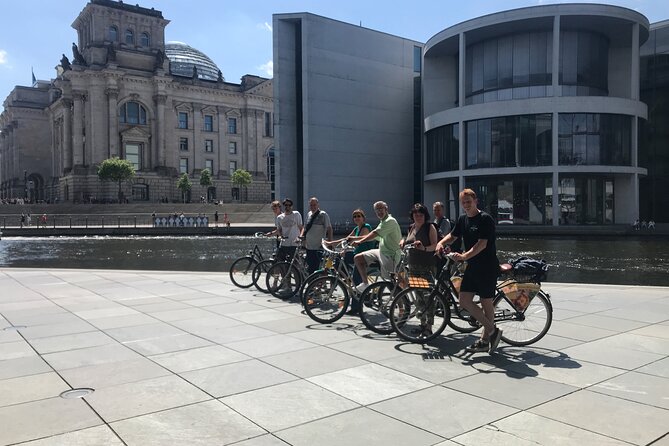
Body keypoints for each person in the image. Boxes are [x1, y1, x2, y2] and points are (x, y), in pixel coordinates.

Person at [436, 188, 503, 354]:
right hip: (472, 266)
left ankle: (484, 339)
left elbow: (482, 244)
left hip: (487, 266)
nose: (466, 205)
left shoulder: (485, 219)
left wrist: (464, 256)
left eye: (468, 202)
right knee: (464, 300)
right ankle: (492, 331)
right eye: (463, 202)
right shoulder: (463, 219)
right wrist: (440, 243)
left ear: (475, 201)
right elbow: (453, 235)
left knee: (486, 302)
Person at [326, 209, 375, 314]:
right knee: (338, 258)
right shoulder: (357, 228)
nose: (357, 218)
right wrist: (331, 242)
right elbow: (346, 238)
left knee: (356, 280)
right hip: (356, 255)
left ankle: (356, 308)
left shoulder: (366, 227)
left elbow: (363, 237)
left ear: (363, 218)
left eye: (359, 216)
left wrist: (352, 239)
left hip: (365, 257)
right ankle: (347, 279)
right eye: (355, 216)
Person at [349, 201, 402, 293]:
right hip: (381, 251)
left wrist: (359, 242)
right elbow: (373, 236)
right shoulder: (382, 222)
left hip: (390, 255)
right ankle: (365, 284)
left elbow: (374, 233)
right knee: (358, 258)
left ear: (386, 209)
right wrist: (354, 238)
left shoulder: (390, 221)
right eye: (377, 210)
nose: (379, 211)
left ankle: (402, 305)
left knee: (390, 284)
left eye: (381, 209)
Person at [300, 197, 333, 273]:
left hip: (318, 246)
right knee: (310, 266)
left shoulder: (323, 214)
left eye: (314, 205)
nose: (313, 207)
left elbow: (329, 228)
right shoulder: (309, 214)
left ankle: (318, 283)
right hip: (309, 246)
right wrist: (301, 236)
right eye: (311, 205)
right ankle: (312, 283)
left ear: (318, 205)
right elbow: (305, 227)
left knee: (317, 267)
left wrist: (330, 242)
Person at [276, 198, 303, 262]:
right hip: (284, 243)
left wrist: (300, 237)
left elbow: (301, 227)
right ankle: (284, 272)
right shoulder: (279, 217)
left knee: (294, 263)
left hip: (294, 243)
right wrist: (280, 235)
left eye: (289, 205)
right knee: (281, 262)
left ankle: (297, 271)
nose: (287, 207)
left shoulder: (296, 214)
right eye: (286, 205)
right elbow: (279, 229)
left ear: (292, 206)